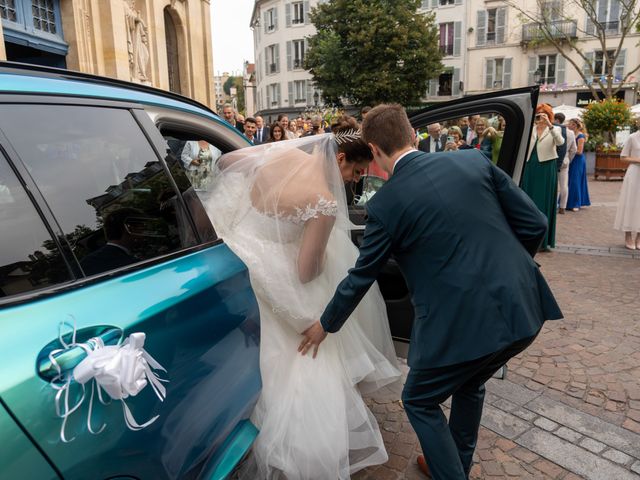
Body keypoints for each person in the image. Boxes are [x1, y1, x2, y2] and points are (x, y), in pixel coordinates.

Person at [299, 104, 562, 480]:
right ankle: (454, 463)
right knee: (470, 381)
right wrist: (513, 269)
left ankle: (450, 473)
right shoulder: (472, 161)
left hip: (462, 323)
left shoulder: (385, 205)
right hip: (526, 304)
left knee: (419, 400)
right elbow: (535, 222)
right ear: (412, 135)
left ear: (373, 150)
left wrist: (325, 324)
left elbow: (361, 276)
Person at [201, 117, 401, 479]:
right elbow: (306, 272)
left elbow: (227, 163)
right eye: (355, 171)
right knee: (304, 357)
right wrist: (326, 254)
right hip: (278, 282)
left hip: (237, 265)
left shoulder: (280, 156)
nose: (355, 180)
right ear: (339, 158)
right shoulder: (322, 202)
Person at [521, 104, 564, 250]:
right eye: (538, 114)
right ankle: (527, 237)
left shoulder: (555, 129)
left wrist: (550, 125)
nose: (540, 117)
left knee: (544, 200)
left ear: (549, 115)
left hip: (546, 167)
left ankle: (543, 241)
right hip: (530, 166)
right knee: (528, 199)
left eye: (543, 114)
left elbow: (560, 142)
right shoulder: (530, 129)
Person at [614, 125, 640, 249]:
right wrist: (638, 160)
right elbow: (623, 157)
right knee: (631, 202)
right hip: (634, 173)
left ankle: (639, 237)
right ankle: (628, 235)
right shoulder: (632, 137)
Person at [566, 118, 591, 212]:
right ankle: (568, 203)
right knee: (570, 181)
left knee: (575, 181)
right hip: (572, 159)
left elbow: (580, 151)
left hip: (578, 160)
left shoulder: (580, 136)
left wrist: (568, 150)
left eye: (570, 124)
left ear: (575, 126)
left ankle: (576, 203)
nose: (568, 125)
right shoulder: (572, 134)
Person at [554, 113, 577, 214]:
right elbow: (574, 149)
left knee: (553, 184)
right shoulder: (571, 133)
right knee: (564, 185)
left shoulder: (554, 129)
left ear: (557, 120)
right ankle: (562, 207)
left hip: (553, 159)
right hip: (565, 160)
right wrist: (568, 159)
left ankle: (553, 205)